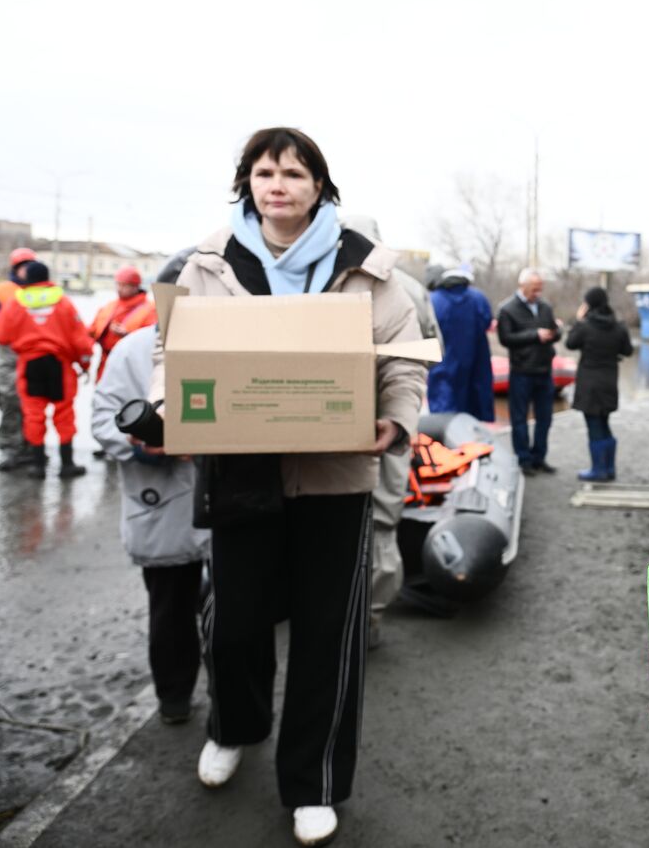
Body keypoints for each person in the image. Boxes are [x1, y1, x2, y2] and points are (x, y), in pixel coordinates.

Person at [148, 128, 424, 846]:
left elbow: (404, 362)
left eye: (295, 173)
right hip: (240, 469)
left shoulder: (367, 270)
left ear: (319, 187)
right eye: (266, 172)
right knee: (235, 623)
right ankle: (234, 725)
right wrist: (164, 405)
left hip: (336, 476)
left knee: (328, 637)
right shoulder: (204, 263)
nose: (279, 184)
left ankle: (315, 783)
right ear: (248, 183)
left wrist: (394, 422)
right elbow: (168, 350)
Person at [91, 249, 208, 724]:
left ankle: (235, 709)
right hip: (164, 504)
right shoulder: (134, 350)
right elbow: (103, 419)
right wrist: (144, 446)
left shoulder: (236, 349)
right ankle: (174, 697)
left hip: (228, 502)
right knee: (172, 611)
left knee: (235, 618)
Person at [342, 214, 442, 648]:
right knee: (382, 518)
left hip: (354, 420)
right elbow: (432, 349)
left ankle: (353, 616)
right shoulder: (412, 288)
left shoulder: (334, 281)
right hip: (394, 418)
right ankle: (370, 617)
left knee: (355, 520)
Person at [0, 260, 93, 479]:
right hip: (59, 365)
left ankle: (38, 466)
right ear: (48, 277)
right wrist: (84, 364)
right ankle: (67, 465)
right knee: (64, 414)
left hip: (29, 365)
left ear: (26, 279)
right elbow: (81, 341)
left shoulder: (16, 304)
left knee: (33, 414)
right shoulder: (63, 303)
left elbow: (0, 335)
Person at [564, 286, 633, 481]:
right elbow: (627, 351)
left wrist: (578, 320)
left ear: (588, 305)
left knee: (594, 427)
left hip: (589, 385)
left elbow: (570, 343)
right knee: (604, 423)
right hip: (609, 382)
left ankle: (598, 470)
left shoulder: (585, 326)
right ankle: (609, 468)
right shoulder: (619, 326)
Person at [497, 268, 561, 474]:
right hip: (522, 371)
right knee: (519, 418)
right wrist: (535, 335)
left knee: (545, 418)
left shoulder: (545, 307)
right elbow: (505, 339)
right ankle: (523, 459)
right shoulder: (507, 309)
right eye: (534, 289)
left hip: (544, 370)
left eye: (540, 289)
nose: (538, 293)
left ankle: (539, 457)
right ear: (522, 287)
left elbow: (554, 333)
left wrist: (555, 332)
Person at [0, 247, 37, 471]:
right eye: (23, 266)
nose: (27, 271)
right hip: (10, 352)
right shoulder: (2, 291)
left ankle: (32, 446)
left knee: (34, 401)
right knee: (10, 399)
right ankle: (10, 449)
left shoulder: (42, 291)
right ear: (16, 269)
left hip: (34, 350)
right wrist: (11, 319)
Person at [427, 263, 495, 421]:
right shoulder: (478, 298)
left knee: (444, 419)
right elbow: (487, 321)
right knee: (473, 421)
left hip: (443, 368)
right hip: (476, 369)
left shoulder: (433, 300)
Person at [89, 265, 157, 381]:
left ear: (135, 286)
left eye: (124, 285)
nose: (120, 288)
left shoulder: (150, 309)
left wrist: (127, 334)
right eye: (118, 284)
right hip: (105, 363)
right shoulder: (110, 306)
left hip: (130, 366)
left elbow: (153, 339)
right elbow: (91, 331)